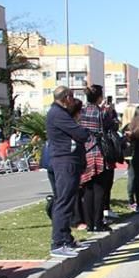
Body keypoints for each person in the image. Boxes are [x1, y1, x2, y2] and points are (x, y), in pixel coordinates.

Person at [46, 86, 89, 258]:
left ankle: (66, 238)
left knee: (68, 201)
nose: (73, 100)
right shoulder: (57, 114)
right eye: (71, 97)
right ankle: (58, 242)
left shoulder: (59, 113)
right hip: (65, 161)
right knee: (63, 201)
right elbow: (80, 133)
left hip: (69, 160)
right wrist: (83, 130)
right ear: (65, 97)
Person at [79, 85, 113, 233]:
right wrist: (109, 111)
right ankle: (99, 223)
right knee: (100, 190)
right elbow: (111, 128)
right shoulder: (102, 113)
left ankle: (89, 223)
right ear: (100, 97)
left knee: (88, 189)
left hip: (85, 152)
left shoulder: (81, 112)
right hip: (99, 152)